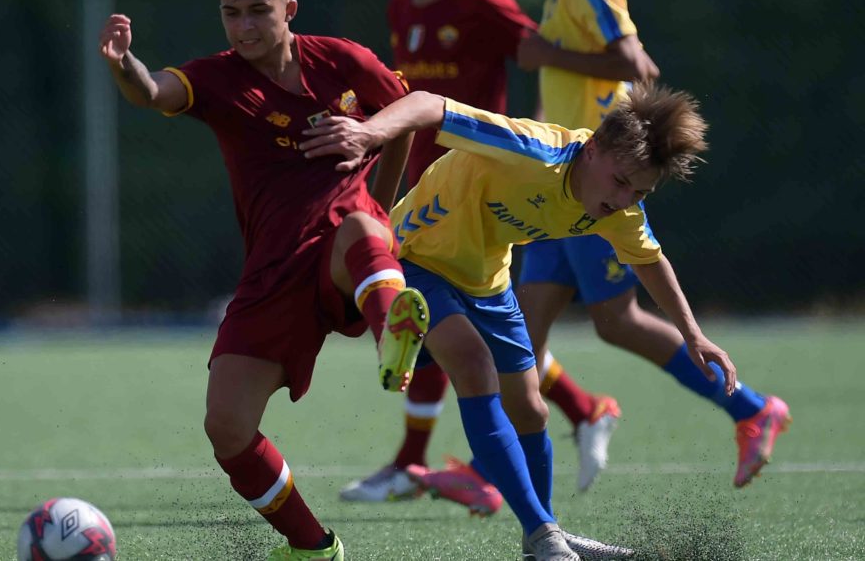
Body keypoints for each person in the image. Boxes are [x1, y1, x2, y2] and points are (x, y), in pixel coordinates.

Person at [300, 82, 732, 560]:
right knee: (473, 365)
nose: (626, 198)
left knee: (530, 409)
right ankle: (544, 534)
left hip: (487, 279)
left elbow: (649, 260)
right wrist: (370, 133)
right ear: (592, 150)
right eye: (620, 181)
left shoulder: (619, 207)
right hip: (416, 258)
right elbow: (426, 103)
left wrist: (693, 334)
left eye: (641, 191)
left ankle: (537, 539)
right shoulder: (531, 148)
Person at [99, 0, 431, 560]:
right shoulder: (218, 78)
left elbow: (406, 116)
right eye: (232, 13)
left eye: (258, 10)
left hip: (345, 245)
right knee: (226, 427)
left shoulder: (343, 61)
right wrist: (125, 65)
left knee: (361, 226)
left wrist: (378, 186)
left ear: (289, 9)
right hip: (273, 272)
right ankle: (314, 547)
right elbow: (151, 92)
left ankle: (394, 333)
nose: (245, 26)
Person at [340, 0, 622, 506]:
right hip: (425, 186)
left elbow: (539, 55)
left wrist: (550, 127)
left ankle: (420, 462)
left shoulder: (483, 2)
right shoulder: (401, 7)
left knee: (452, 329)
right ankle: (581, 411)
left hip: (480, 196)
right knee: (453, 329)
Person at [519, 0, 791, 492]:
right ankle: (506, 470)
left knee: (617, 322)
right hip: (561, 184)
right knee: (524, 335)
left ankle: (752, 408)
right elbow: (584, 81)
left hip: (596, 188)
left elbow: (633, 61)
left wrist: (548, 55)